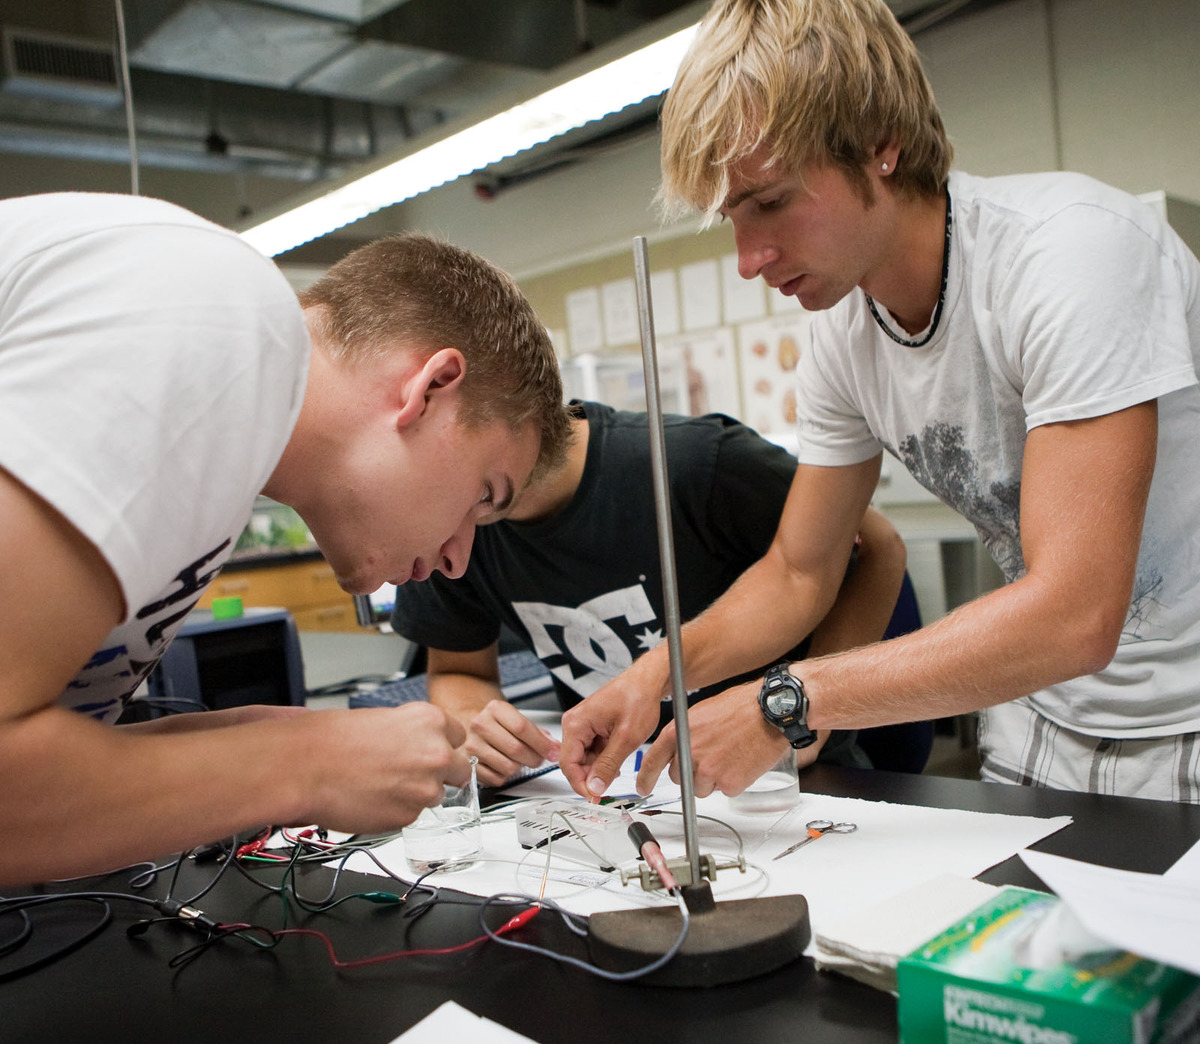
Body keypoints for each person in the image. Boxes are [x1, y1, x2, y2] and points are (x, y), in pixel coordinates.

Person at [560, 0, 1200, 805]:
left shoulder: (1070, 254)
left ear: (880, 145)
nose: (749, 259)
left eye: (770, 202)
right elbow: (798, 570)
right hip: (1044, 719)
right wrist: (647, 680)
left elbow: (1076, 612)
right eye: (731, 218)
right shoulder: (843, 338)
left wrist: (782, 701)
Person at [0, 191, 571, 887]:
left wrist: (293, 742)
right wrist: (305, 764)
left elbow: (55, 766)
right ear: (431, 388)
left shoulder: (223, 457)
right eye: (485, 495)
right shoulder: (215, 309)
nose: (458, 556)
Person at [390, 399, 916, 787]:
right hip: (622, 795)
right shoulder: (452, 521)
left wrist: (805, 719)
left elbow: (878, 546)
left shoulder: (700, 464)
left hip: (788, 785)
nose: (449, 551)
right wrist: (477, 725)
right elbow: (459, 670)